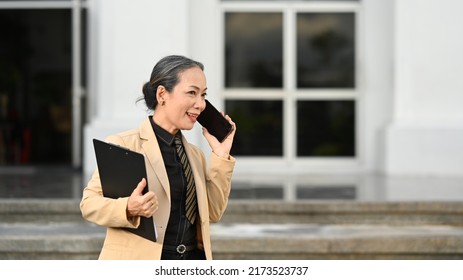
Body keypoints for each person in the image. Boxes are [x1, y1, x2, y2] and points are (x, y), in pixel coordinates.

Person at [80, 55, 236, 260]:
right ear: (162, 94)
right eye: (192, 93)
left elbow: (213, 213)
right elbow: (89, 205)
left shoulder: (196, 155)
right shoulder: (125, 144)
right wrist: (128, 207)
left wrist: (221, 155)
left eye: (203, 95)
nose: (200, 104)